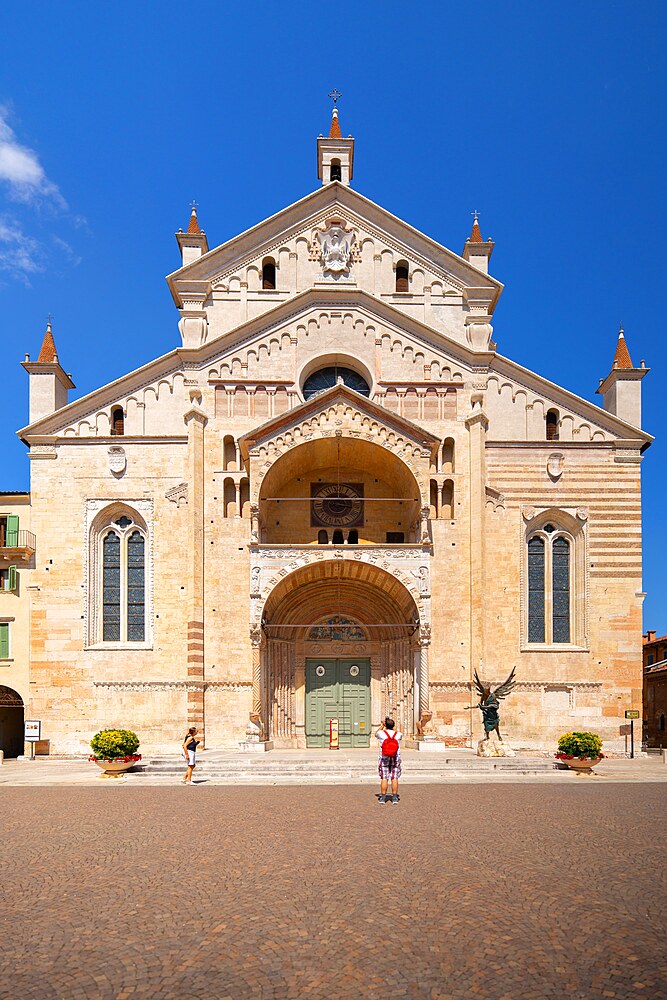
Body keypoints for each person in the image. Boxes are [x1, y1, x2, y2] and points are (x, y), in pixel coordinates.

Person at [375, 716, 402, 804]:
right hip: (395, 757)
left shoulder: (382, 733)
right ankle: (394, 797)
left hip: (384, 758)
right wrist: (391, 726)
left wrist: (382, 725)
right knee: (394, 778)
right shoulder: (398, 734)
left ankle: (383, 797)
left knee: (384, 778)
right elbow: (398, 733)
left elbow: (376, 733)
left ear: (385, 725)